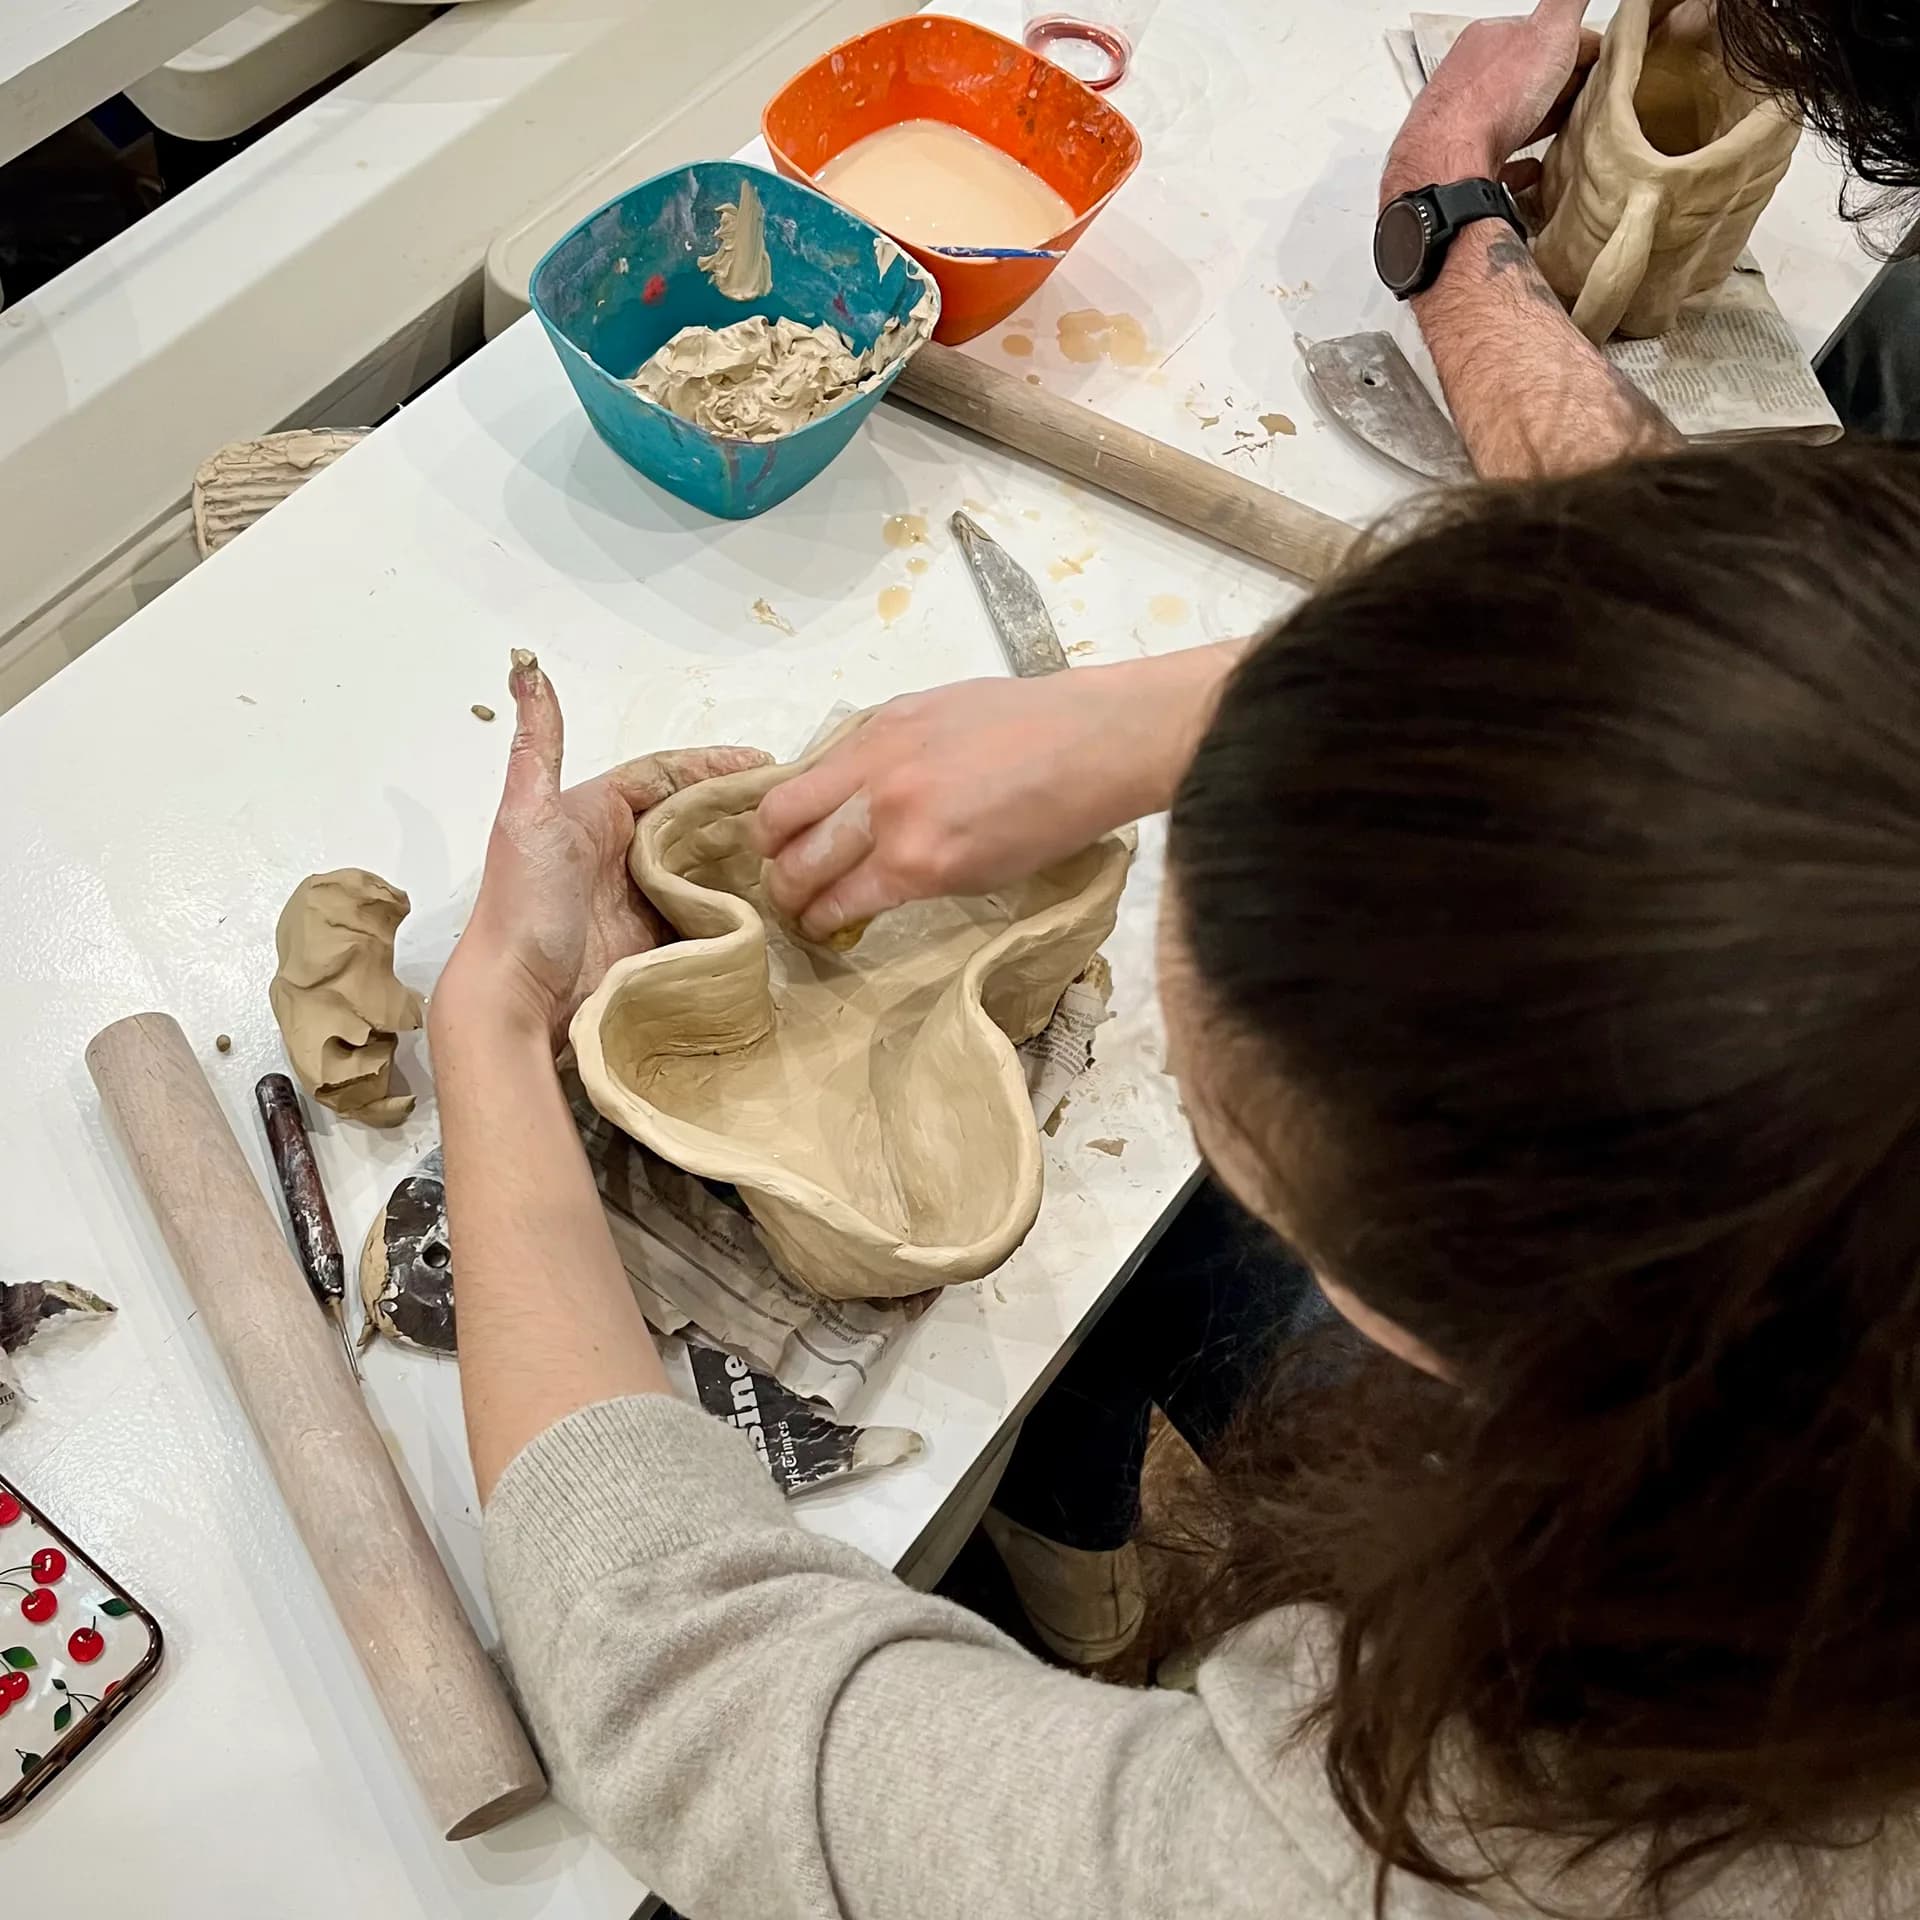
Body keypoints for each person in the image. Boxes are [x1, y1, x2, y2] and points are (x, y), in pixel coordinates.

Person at [436, 439, 1920, 1919]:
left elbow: (691, 1691)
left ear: (1448, 1274)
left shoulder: (1432, 1863)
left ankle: (1058, 1575)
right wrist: (1160, 712)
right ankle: (1075, 1561)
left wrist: (494, 1024)